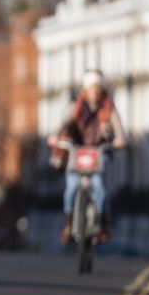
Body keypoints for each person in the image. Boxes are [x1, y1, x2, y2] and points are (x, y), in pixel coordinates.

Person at [46, 69, 126, 245]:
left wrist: (119, 140)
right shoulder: (76, 106)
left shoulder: (108, 107)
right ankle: (68, 225)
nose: (95, 92)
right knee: (71, 188)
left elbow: (119, 130)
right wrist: (55, 136)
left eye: (98, 88)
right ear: (85, 89)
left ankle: (103, 225)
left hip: (99, 151)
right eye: (92, 88)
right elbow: (64, 123)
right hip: (78, 151)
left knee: (100, 188)